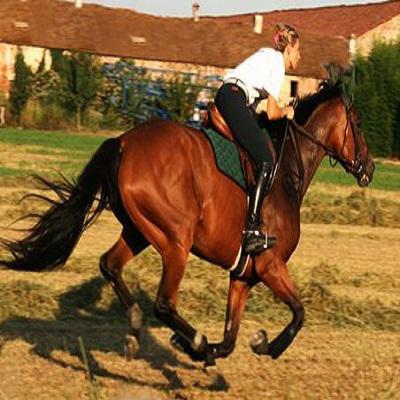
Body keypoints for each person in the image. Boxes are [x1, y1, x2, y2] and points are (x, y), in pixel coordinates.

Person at [214, 23, 301, 255]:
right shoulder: (277, 64)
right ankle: (251, 230)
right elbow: (273, 112)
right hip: (233, 97)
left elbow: (259, 109)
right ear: (289, 48)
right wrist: (287, 111)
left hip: (230, 96)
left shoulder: (267, 56)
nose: (300, 56)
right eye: (298, 50)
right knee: (265, 159)